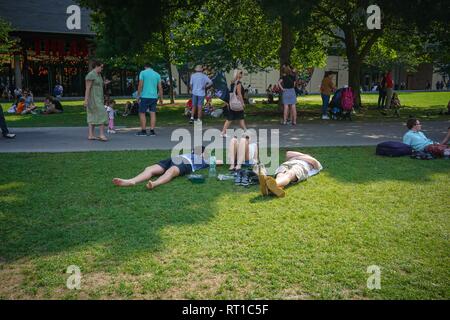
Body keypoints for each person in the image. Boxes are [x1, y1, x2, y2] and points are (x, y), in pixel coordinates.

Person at [112, 146, 223, 190]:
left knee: (172, 171)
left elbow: (220, 162)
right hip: (174, 158)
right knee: (150, 169)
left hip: (186, 163)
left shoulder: (205, 161)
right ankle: (131, 181)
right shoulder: (190, 153)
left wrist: (207, 157)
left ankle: (155, 183)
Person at [258, 151, 323, 198]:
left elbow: (313, 162)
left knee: (289, 174)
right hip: (286, 164)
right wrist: (303, 156)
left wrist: (297, 157)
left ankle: (269, 185)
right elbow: (288, 153)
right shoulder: (302, 157)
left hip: (300, 166)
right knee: (280, 174)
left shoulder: (316, 162)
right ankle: (273, 188)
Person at [84, 60, 109, 142]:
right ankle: (101, 134)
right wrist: (86, 100)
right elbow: (87, 88)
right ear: (96, 66)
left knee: (93, 115)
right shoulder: (91, 75)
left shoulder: (99, 75)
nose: (102, 68)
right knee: (102, 114)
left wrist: (105, 83)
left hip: (99, 98)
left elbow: (98, 85)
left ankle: (91, 135)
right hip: (93, 99)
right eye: (101, 67)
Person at [136, 63, 163, 136]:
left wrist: (138, 95)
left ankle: (144, 131)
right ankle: (152, 131)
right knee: (153, 113)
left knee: (142, 113)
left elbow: (140, 85)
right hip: (154, 97)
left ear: (145, 67)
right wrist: (161, 98)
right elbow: (160, 87)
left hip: (144, 96)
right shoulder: (157, 74)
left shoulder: (143, 72)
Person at [221, 69, 247, 137]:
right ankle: (245, 131)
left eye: (242, 73)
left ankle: (223, 132)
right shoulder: (238, 83)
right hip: (237, 103)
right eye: (240, 73)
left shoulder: (232, 82)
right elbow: (239, 94)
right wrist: (242, 103)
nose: (242, 74)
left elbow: (231, 93)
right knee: (239, 118)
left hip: (232, 103)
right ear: (237, 74)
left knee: (232, 118)